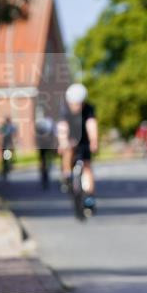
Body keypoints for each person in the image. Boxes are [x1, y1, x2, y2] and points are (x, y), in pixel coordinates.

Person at [57, 83, 99, 211]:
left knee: (87, 167)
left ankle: (89, 197)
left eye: (79, 104)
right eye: (74, 104)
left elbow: (91, 125)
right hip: (70, 137)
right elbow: (62, 127)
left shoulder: (89, 109)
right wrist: (62, 142)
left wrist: (94, 141)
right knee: (67, 150)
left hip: (84, 139)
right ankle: (67, 175)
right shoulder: (65, 109)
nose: (77, 107)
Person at [34, 116, 56, 189]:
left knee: (45, 159)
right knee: (43, 160)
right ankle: (44, 168)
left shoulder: (47, 122)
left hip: (46, 145)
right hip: (44, 145)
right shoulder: (46, 122)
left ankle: (46, 166)